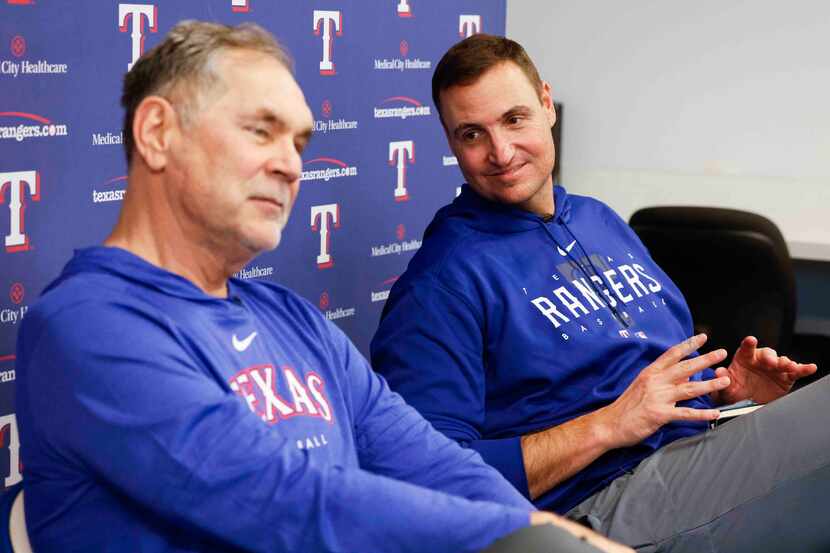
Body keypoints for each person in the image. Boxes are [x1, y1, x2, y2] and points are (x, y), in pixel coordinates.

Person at [14, 22, 630, 553]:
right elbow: (281, 499)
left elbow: (433, 464)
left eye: (299, 141)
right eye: (261, 131)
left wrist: (548, 532)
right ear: (156, 133)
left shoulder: (291, 318)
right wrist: (529, 543)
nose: (290, 163)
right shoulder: (87, 326)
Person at [371, 33, 830, 551]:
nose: (500, 152)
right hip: (599, 510)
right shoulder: (441, 283)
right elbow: (423, 481)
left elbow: (656, 370)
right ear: (451, 141)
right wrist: (610, 425)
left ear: (547, 104)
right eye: (472, 134)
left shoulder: (597, 219)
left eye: (514, 119)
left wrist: (724, 392)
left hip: (696, 454)